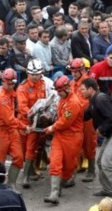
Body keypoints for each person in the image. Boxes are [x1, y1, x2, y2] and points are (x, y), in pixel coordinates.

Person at [82, 78, 112, 202]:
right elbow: (86, 115)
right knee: (100, 162)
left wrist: (101, 129)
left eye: (82, 89)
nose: (80, 92)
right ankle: (108, 189)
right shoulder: (93, 100)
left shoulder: (100, 99)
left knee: (107, 163)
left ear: (91, 89)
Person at [43, 75, 83, 205]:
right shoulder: (63, 99)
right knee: (55, 162)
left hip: (72, 137)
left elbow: (65, 122)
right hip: (60, 136)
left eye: (60, 91)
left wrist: (51, 128)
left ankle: (59, 188)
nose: (58, 94)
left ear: (67, 89)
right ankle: (54, 193)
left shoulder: (73, 103)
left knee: (68, 167)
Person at [0, 68, 31, 192]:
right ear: (3, 82)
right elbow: (9, 119)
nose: (11, 85)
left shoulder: (12, 93)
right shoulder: (0, 98)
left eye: (13, 83)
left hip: (11, 130)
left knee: (18, 157)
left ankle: (11, 185)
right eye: (9, 83)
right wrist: (24, 127)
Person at [16, 59, 46, 189]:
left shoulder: (43, 84)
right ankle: (30, 170)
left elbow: (44, 101)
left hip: (36, 123)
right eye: (32, 74)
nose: (35, 76)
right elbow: (22, 107)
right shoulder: (22, 87)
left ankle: (26, 177)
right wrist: (32, 114)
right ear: (28, 74)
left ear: (41, 73)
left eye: (37, 74)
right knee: (22, 150)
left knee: (31, 148)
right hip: (24, 122)